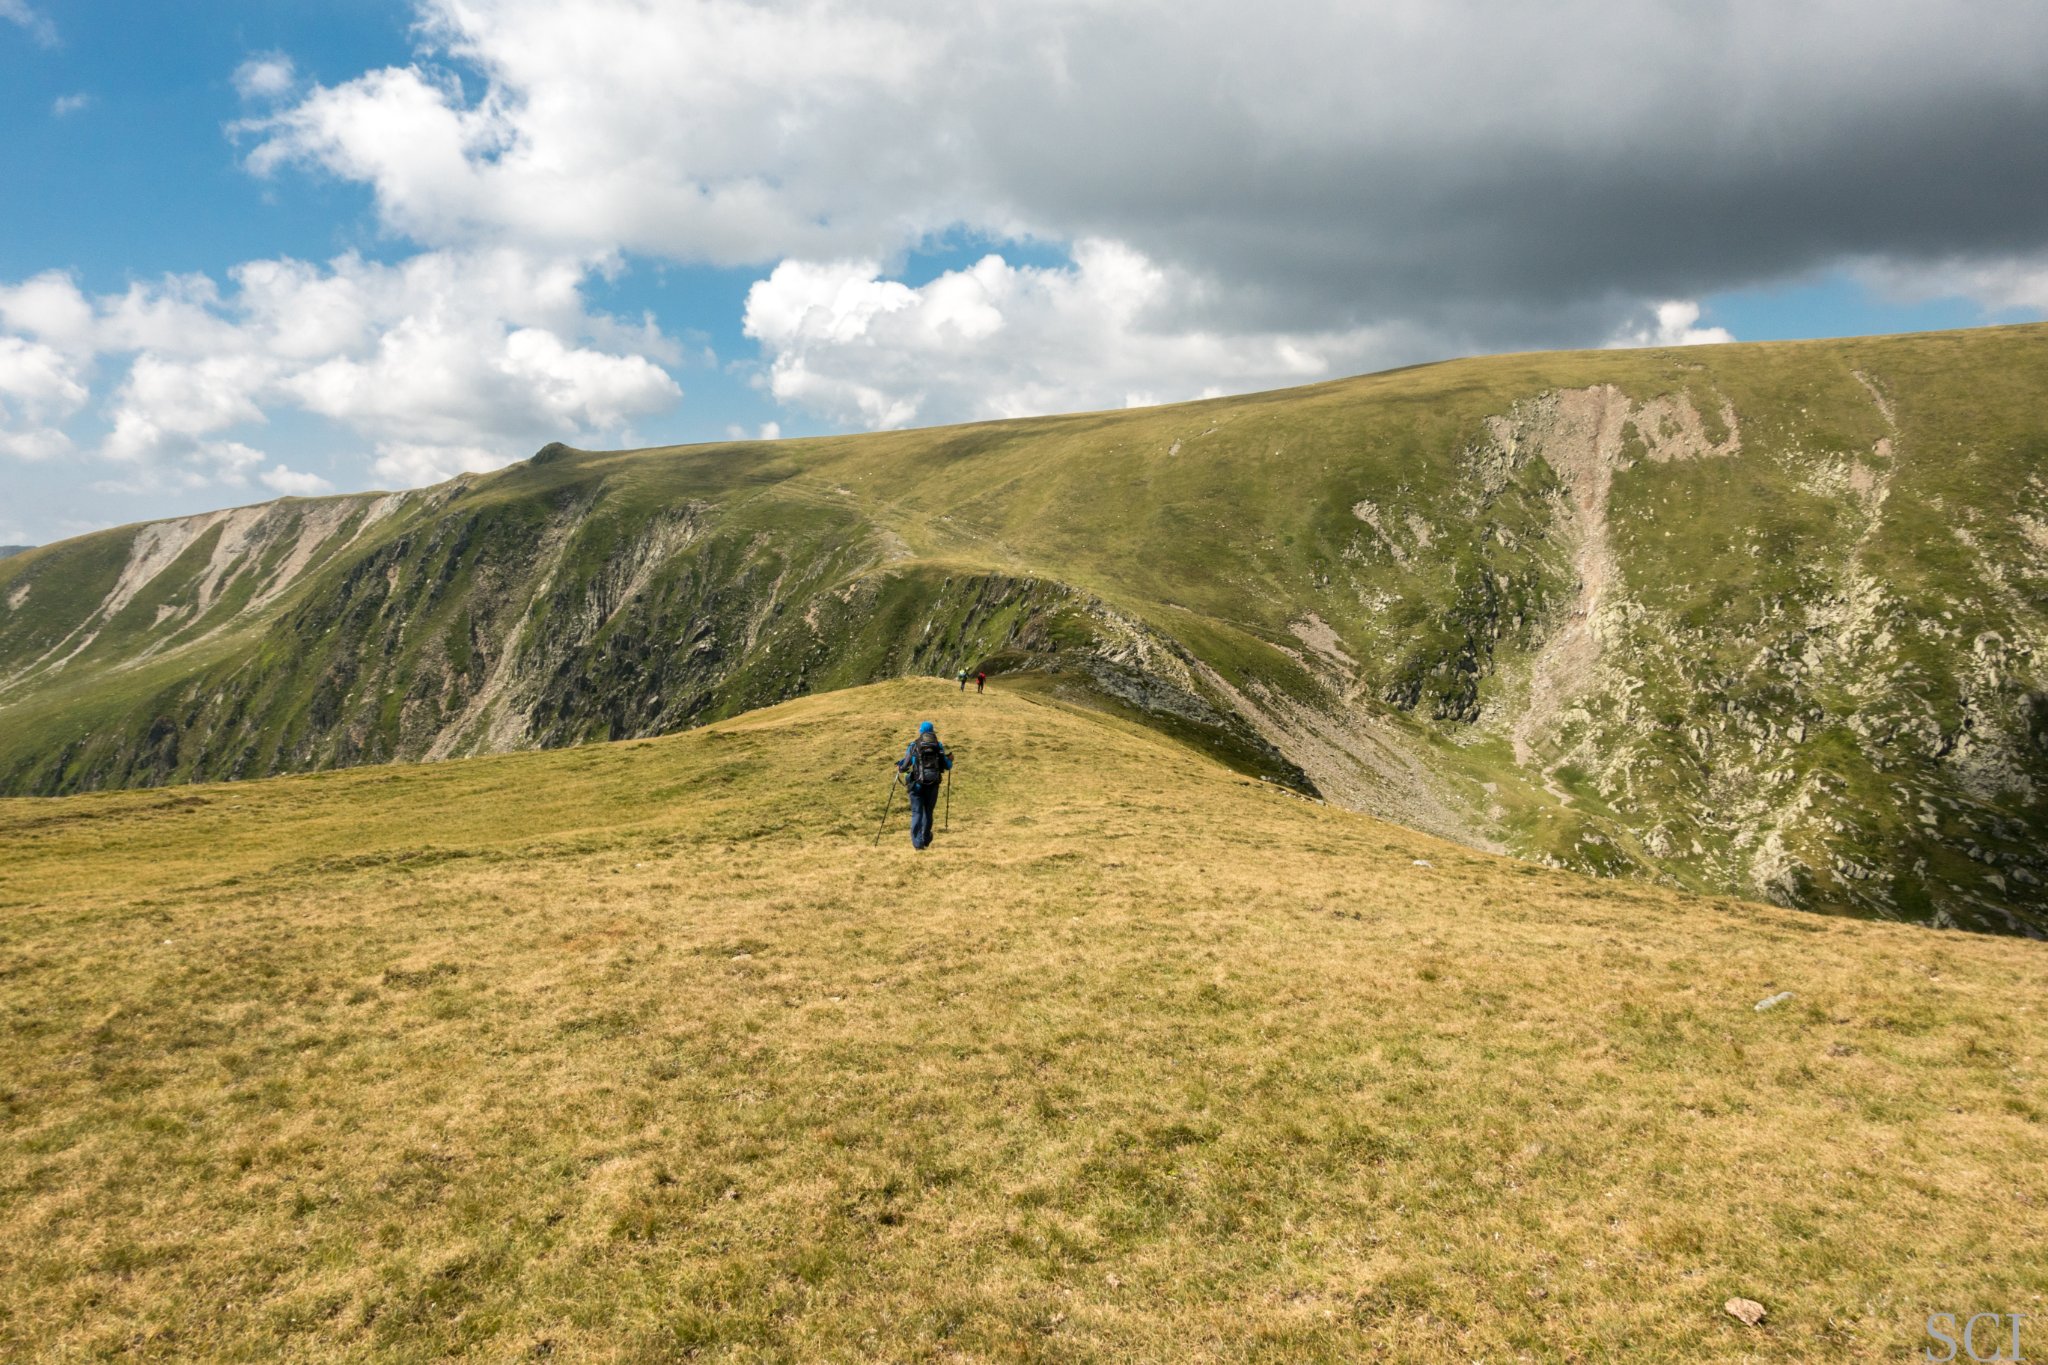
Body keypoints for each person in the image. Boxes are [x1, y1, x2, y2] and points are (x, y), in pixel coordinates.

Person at [894, 720, 953, 850]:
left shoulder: (914, 745)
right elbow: (947, 765)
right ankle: (926, 838)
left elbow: (904, 766)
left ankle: (918, 843)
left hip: (917, 785)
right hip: (933, 785)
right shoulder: (938, 746)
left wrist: (900, 766)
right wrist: (950, 760)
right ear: (932, 731)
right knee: (928, 812)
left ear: (921, 731)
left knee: (917, 813)